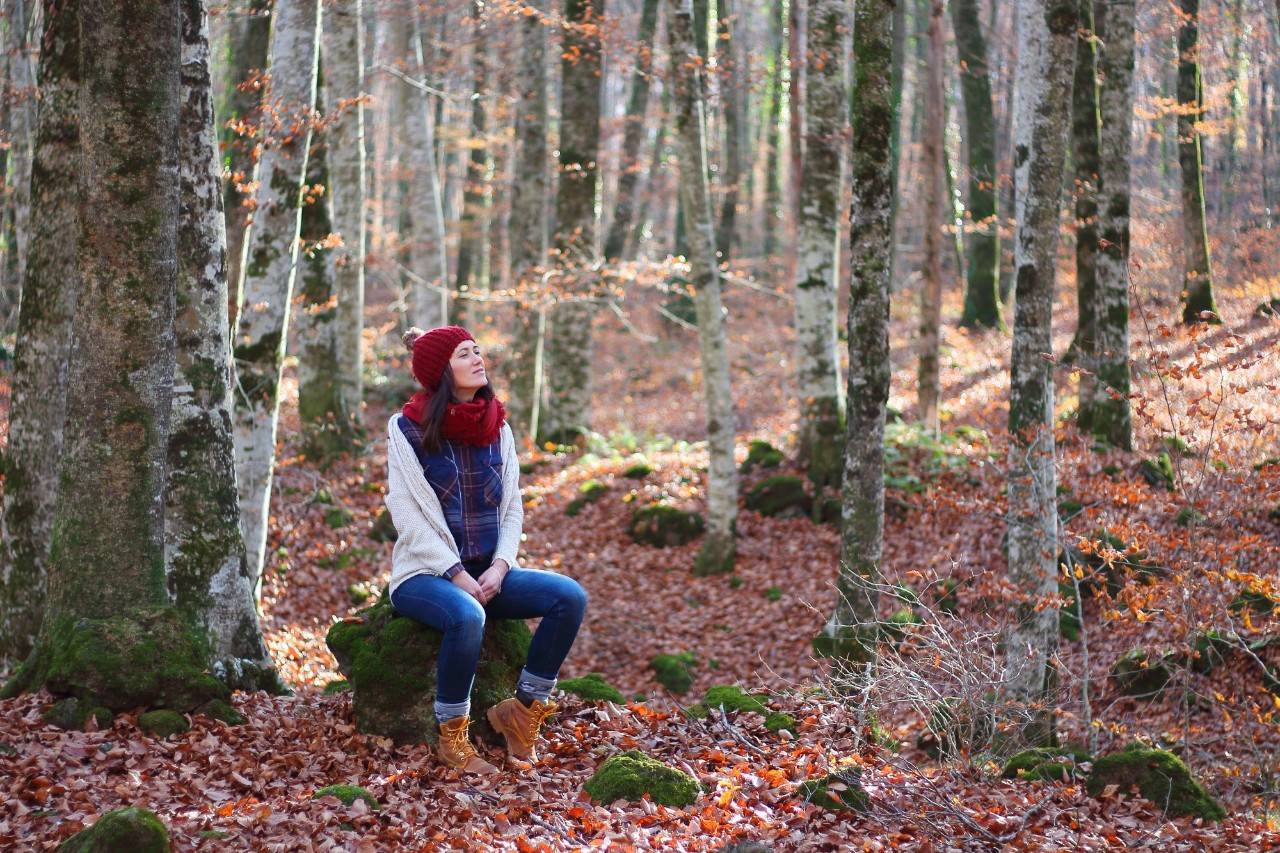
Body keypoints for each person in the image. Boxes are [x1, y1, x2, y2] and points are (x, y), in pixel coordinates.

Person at [383, 325, 588, 774]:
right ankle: (452, 737)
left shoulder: (498, 427)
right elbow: (407, 516)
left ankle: (522, 712)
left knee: (569, 597)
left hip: (487, 570)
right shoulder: (407, 430)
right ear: (442, 370)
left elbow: (512, 506)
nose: (479, 359)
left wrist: (500, 566)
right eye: (464, 354)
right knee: (467, 614)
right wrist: (456, 573)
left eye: (478, 351)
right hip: (425, 575)